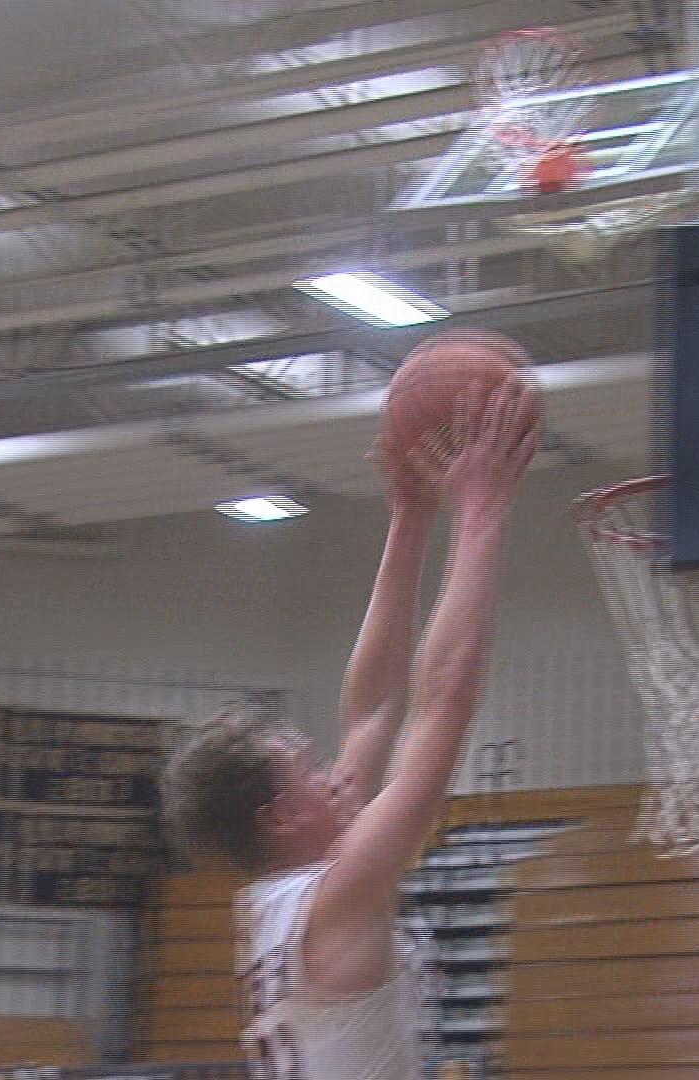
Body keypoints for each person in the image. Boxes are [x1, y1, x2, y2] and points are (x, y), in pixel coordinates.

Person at [160, 375, 539, 1080]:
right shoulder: (338, 897)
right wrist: (482, 513)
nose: (333, 772)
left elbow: (372, 710)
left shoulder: (292, 897)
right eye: (306, 767)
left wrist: (411, 517)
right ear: (280, 816)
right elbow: (445, 703)